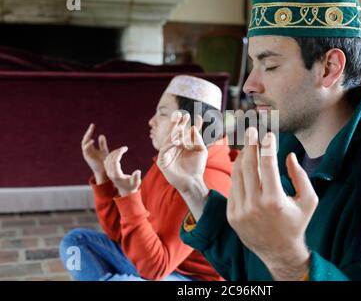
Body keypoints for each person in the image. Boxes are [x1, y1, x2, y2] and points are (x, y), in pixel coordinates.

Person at [157, 0, 361, 281]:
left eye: (269, 66)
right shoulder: (283, 151)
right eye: (252, 66)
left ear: (329, 68)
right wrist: (193, 187)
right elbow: (249, 267)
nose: (249, 85)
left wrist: (290, 262)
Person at [59, 75, 233, 281]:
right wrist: (102, 175)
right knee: (75, 243)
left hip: (185, 278)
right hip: (152, 264)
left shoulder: (206, 181)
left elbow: (156, 269)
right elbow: (121, 235)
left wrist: (129, 195)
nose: (151, 121)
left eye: (162, 113)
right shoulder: (169, 161)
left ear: (192, 123)